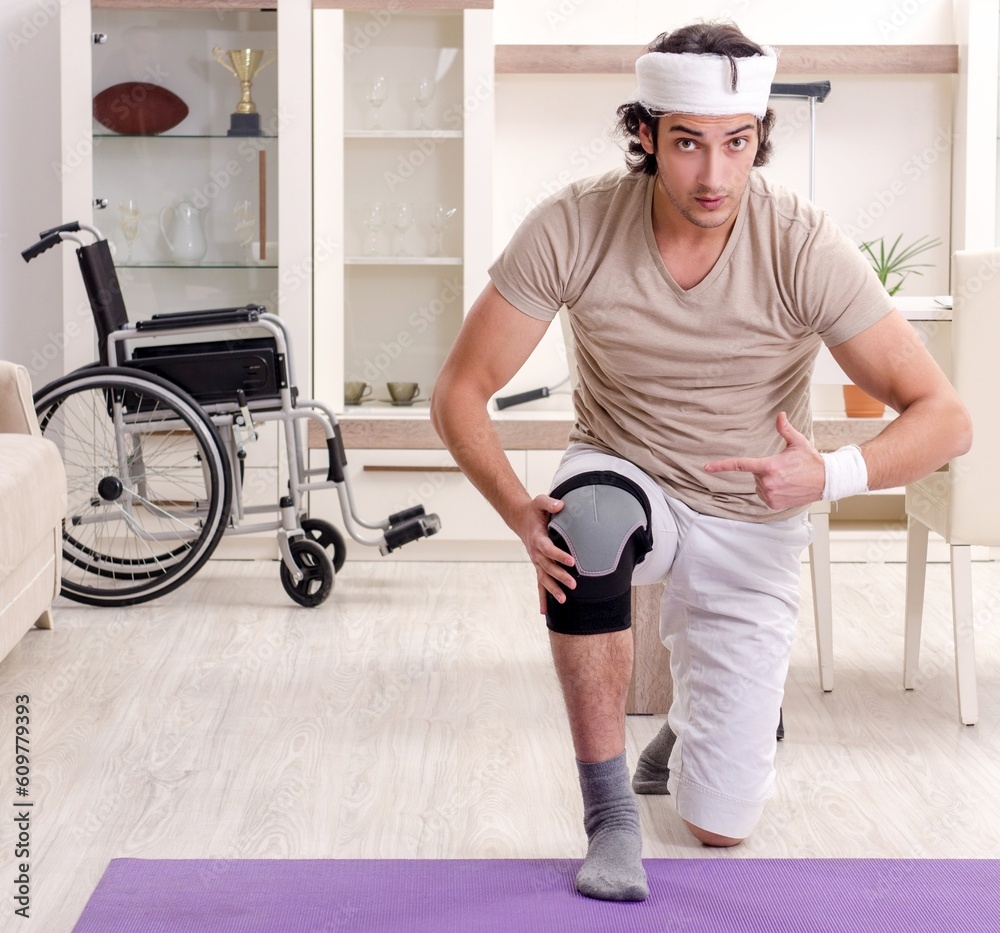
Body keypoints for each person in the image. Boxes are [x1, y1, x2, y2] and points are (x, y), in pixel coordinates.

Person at [430, 21, 971, 902]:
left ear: (759, 137)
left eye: (737, 144)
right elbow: (459, 390)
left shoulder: (800, 241)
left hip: (755, 512)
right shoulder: (575, 223)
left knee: (721, 824)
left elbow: (947, 419)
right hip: (626, 467)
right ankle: (610, 817)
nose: (714, 176)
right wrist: (517, 511)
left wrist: (826, 476)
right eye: (687, 143)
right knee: (589, 531)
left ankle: (689, 730)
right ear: (644, 133)